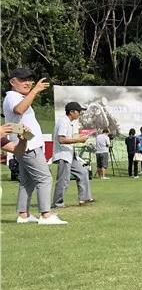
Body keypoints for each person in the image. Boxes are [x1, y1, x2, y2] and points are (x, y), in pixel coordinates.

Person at [2, 68, 66, 224]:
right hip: (28, 146)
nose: (28, 83)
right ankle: (46, 215)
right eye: (23, 80)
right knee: (45, 178)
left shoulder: (17, 96)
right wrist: (35, 90)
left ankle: (23, 215)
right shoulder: (13, 96)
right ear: (12, 82)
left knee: (27, 181)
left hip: (25, 145)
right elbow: (19, 110)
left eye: (30, 80)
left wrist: (32, 92)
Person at [53, 102, 94, 208]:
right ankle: (58, 203)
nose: (80, 113)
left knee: (83, 172)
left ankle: (84, 198)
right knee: (64, 180)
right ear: (71, 112)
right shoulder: (63, 121)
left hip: (70, 154)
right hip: (63, 154)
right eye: (78, 111)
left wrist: (82, 136)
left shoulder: (69, 122)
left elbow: (71, 137)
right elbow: (61, 139)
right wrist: (79, 140)